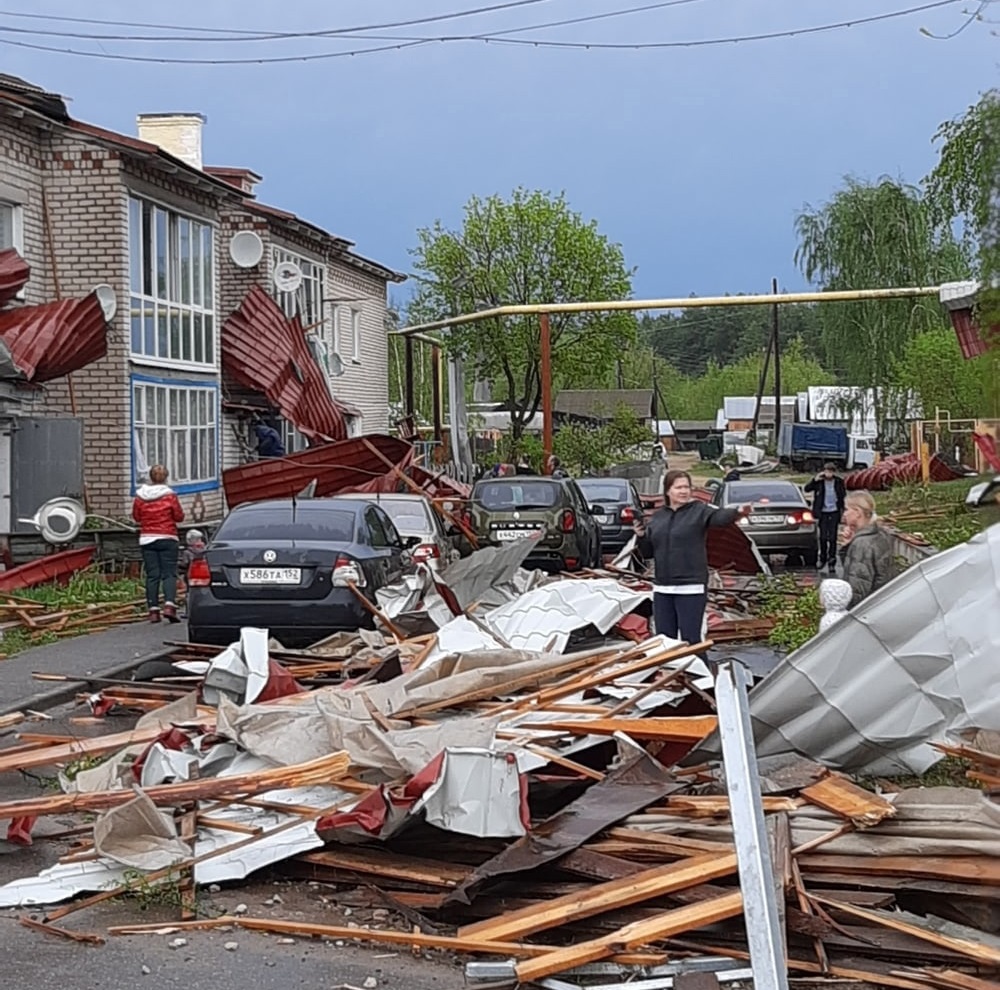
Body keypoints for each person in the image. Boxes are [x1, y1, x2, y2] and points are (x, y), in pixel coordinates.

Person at [634, 469, 751, 648]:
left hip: (690, 587)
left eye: (687, 487)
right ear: (667, 491)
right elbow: (649, 552)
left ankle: (700, 675)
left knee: (691, 640)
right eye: (678, 487)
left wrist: (738, 512)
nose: (684, 491)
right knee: (665, 641)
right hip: (663, 587)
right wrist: (641, 536)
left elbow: (719, 517)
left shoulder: (699, 511)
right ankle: (672, 674)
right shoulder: (658, 518)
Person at [132, 465, 185, 623]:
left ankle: (153, 611)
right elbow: (179, 516)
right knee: (169, 573)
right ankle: (169, 606)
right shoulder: (170, 496)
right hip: (168, 537)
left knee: (152, 575)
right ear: (166, 477)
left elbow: (136, 517)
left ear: (150, 477)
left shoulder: (140, 496)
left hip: (147, 538)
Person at [840, 490, 894, 607]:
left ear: (858, 513)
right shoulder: (881, 534)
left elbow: (857, 590)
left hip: (865, 611)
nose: (844, 514)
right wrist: (847, 546)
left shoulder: (862, 544)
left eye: (846, 509)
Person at [804, 462, 846, 574]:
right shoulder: (819, 482)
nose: (828, 474)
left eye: (831, 471)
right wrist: (814, 480)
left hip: (834, 512)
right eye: (827, 471)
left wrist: (842, 511)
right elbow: (806, 489)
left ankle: (832, 561)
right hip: (822, 512)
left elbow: (842, 496)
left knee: (832, 538)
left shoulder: (838, 482)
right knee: (823, 537)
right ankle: (822, 558)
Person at [178, 529, 207, 617]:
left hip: (190, 575)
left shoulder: (187, 552)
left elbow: (184, 564)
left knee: (189, 594)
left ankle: (188, 612)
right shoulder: (205, 550)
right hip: (204, 574)